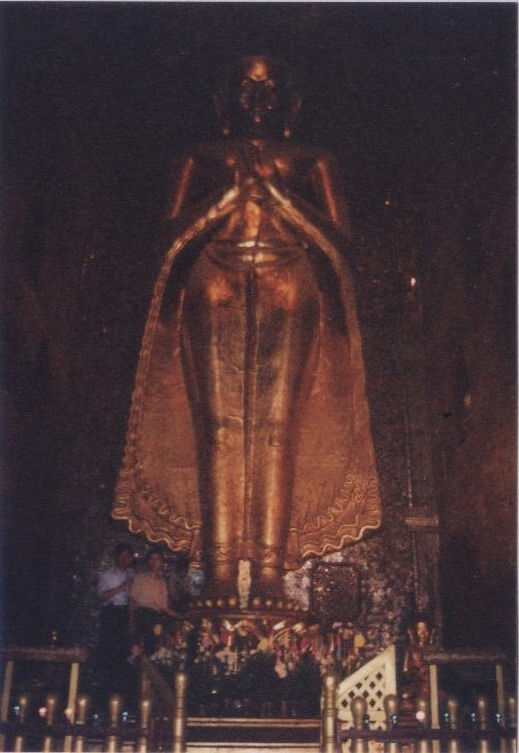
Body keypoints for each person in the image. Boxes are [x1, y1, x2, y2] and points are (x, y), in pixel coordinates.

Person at [114, 55, 381, 606]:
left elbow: (342, 242)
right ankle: (216, 571)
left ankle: (269, 573)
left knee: (280, 429)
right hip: (215, 280)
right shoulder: (200, 156)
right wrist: (228, 197)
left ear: (290, 104)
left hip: (290, 282)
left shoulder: (312, 159)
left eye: (270, 88)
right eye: (245, 88)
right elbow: (165, 240)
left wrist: (278, 196)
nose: (258, 99)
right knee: (216, 428)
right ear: (224, 101)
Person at [96, 543, 135, 694]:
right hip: (110, 613)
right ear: (117, 557)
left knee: (123, 651)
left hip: (124, 613)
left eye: (128, 556)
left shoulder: (132, 573)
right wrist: (122, 586)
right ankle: (105, 689)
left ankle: (120, 691)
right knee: (108, 651)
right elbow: (101, 596)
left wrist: (131, 621)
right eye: (123, 555)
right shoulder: (107, 574)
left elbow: (131, 599)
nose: (126, 559)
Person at [130, 548, 179, 654]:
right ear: (148, 561)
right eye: (152, 559)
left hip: (154, 618)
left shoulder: (162, 583)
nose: (154, 562)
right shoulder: (140, 578)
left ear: (161, 562)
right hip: (141, 616)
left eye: (157, 559)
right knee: (137, 649)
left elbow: (164, 607)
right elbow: (132, 601)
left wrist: (178, 615)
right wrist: (131, 621)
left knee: (151, 649)